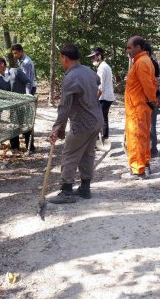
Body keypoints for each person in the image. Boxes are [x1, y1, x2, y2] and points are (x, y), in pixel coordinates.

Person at [49, 44, 103, 204]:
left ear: (64, 58)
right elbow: (97, 80)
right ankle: (85, 189)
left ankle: (66, 190)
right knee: (87, 154)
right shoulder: (88, 71)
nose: (60, 61)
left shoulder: (70, 78)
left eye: (60, 58)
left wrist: (57, 128)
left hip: (82, 123)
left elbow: (64, 107)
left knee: (70, 154)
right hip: (96, 121)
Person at [122, 36, 158, 180]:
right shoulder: (143, 61)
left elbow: (149, 85)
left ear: (138, 48)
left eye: (130, 47)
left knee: (136, 138)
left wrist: (152, 100)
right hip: (138, 107)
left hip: (137, 107)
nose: (127, 50)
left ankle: (138, 170)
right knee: (143, 137)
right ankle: (144, 165)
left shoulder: (141, 62)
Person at [0, 58, 33, 152]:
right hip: (12, 108)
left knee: (26, 126)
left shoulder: (15, 71)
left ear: (2, 64)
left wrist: (27, 93)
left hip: (24, 104)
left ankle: (30, 148)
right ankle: (15, 148)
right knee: (13, 126)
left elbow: (28, 81)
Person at [11, 44, 37, 151]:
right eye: (13, 53)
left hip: (29, 90)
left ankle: (30, 146)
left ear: (21, 51)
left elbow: (28, 81)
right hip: (26, 89)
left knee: (26, 118)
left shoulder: (26, 63)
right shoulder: (21, 60)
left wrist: (27, 95)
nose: (15, 55)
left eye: (16, 53)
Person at [87, 47, 115, 141]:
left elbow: (100, 87)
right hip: (108, 96)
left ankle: (99, 141)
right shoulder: (106, 66)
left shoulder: (102, 68)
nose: (92, 59)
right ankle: (104, 139)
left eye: (93, 57)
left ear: (99, 56)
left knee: (97, 119)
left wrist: (94, 100)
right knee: (104, 118)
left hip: (104, 97)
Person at [143, 42, 160, 157]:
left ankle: (152, 149)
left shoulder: (151, 63)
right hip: (152, 96)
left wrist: (152, 100)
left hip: (152, 96)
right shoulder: (146, 62)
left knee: (151, 125)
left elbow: (153, 83)